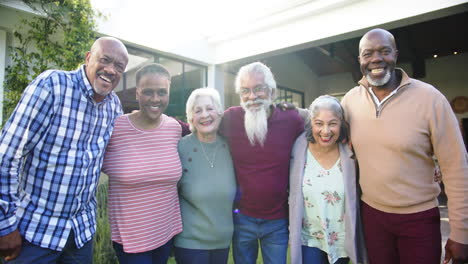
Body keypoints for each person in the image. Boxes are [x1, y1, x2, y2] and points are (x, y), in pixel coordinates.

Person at [341, 28, 468, 264]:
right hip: (373, 217)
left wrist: (461, 232)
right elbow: (322, 125)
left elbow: (457, 167)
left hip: (419, 218)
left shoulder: (430, 99)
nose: (376, 59)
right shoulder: (349, 101)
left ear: (395, 55)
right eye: (368, 54)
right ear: (360, 60)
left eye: (384, 51)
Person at [0, 37, 129, 263]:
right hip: (35, 232)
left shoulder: (114, 106)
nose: (110, 70)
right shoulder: (52, 86)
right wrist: (4, 224)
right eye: (105, 60)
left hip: (80, 235)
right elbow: (8, 154)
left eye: (119, 67)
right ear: (88, 58)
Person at [218, 62, 304, 264]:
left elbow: (318, 120)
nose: (252, 96)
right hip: (242, 218)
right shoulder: (230, 119)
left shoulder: (291, 119)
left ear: (272, 92)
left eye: (259, 89)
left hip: (277, 221)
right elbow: (200, 125)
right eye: (245, 91)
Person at [101, 63, 182, 264]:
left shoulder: (174, 128)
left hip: (166, 231)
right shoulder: (115, 127)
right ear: (137, 93)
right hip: (131, 239)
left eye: (162, 92)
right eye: (148, 92)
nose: (155, 99)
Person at [289, 95, 367, 264]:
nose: (326, 131)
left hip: (340, 239)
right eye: (319, 123)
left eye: (332, 123)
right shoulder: (298, 148)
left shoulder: (351, 153)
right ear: (311, 123)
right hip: (309, 238)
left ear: (341, 124)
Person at [174, 87, 236, 264]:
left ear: (219, 112)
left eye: (209, 108)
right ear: (191, 117)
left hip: (223, 242)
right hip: (190, 243)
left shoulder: (232, 147)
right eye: (198, 110)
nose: (204, 115)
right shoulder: (180, 148)